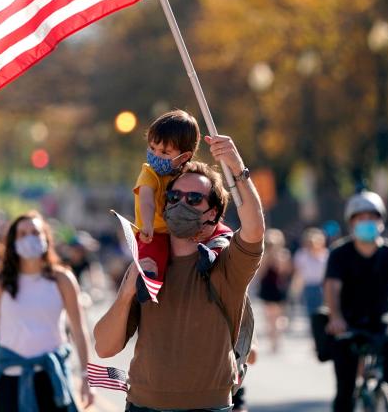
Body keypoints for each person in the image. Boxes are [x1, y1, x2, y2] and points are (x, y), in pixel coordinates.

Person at [93, 135, 266, 411]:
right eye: (173, 196)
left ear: (214, 213)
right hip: (142, 405)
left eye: (194, 198)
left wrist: (237, 167)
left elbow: (254, 229)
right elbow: (104, 347)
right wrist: (127, 293)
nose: (180, 203)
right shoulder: (147, 265)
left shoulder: (225, 264)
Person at [0, 211, 94, 412]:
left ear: (46, 238)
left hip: (52, 379)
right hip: (10, 381)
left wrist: (87, 378)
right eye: (23, 233)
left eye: (35, 232)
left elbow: (79, 331)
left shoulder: (62, 279)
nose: (30, 238)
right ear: (13, 242)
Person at [324, 190, 388, 412]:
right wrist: (335, 317)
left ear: (381, 220)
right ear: (351, 222)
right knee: (345, 389)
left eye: (372, 217)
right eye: (361, 218)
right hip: (348, 323)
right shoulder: (339, 254)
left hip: (382, 321)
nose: (367, 222)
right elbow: (332, 287)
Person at [131, 109, 202, 302]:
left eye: (164, 152)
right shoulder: (149, 174)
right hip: (153, 232)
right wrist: (146, 224)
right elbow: (146, 200)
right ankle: (147, 282)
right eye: (153, 148)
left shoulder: (183, 176)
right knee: (153, 257)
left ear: (184, 156)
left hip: (178, 231)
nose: (155, 155)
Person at [257, 228, 292, 352]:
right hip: (267, 287)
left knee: (279, 317)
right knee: (269, 316)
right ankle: (273, 341)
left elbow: (285, 272)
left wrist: (278, 258)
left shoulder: (284, 254)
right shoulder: (263, 254)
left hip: (279, 288)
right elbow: (260, 273)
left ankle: (277, 337)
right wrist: (267, 257)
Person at [293, 227, 329, 317]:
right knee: (311, 313)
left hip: (323, 287)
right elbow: (299, 273)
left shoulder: (326, 255)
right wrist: (295, 291)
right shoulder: (302, 255)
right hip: (308, 287)